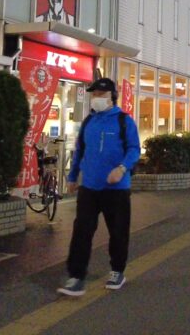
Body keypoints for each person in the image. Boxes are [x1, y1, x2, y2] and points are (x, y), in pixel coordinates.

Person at [57, 77, 140, 297]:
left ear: (112, 97)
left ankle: (117, 271)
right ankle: (76, 277)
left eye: (101, 95)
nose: (96, 99)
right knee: (82, 231)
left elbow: (134, 149)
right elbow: (79, 152)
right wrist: (73, 176)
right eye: (94, 95)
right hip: (90, 188)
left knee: (118, 232)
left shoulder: (124, 121)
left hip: (117, 189)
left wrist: (121, 168)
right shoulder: (88, 123)